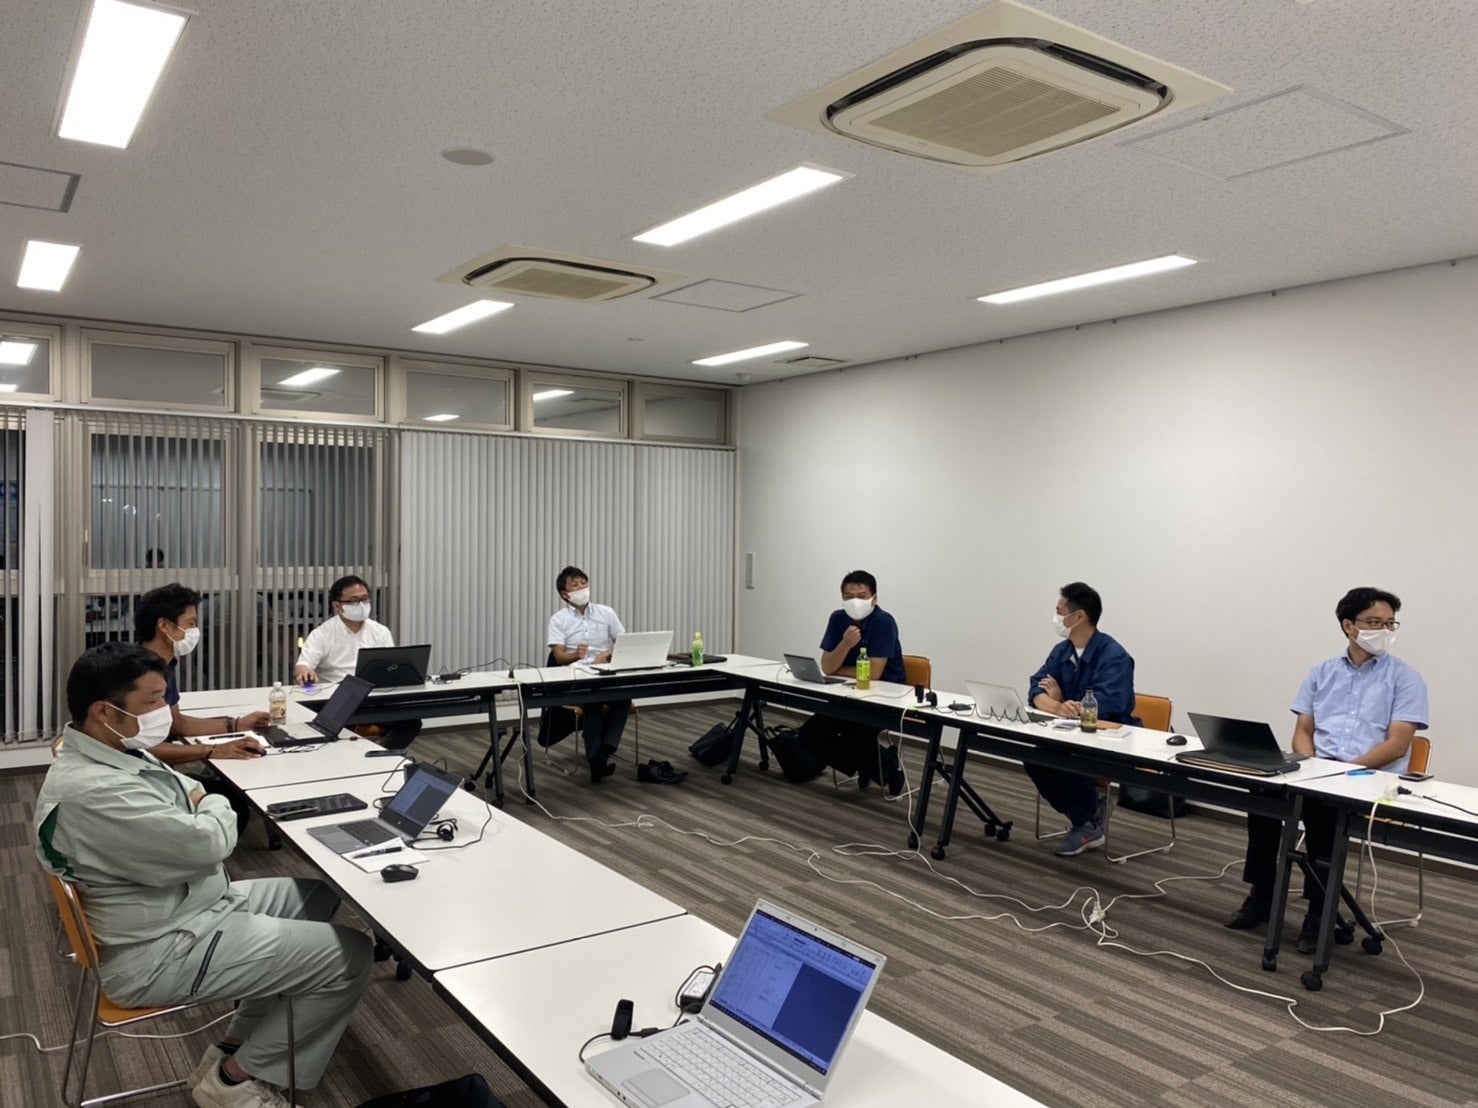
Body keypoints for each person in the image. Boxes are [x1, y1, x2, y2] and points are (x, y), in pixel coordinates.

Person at [36, 643, 373, 1108]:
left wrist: (201, 805)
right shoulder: (95, 789)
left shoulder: (113, 748)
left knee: (314, 899)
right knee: (351, 956)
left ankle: (235, 1046)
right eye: (153, 700)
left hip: (185, 904)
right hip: (156, 948)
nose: (164, 711)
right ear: (103, 711)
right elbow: (208, 844)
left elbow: (190, 788)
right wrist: (214, 804)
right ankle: (236, 1081)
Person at [1226, 587, 1428, 954]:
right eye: (1374, 622)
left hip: (1368, 778)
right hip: (1318, 770)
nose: (1384, 630)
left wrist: (1341, 774)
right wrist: (1310, 767)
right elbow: (1303, 731)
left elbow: (1398, 745)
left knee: (1323, 810)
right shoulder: (1322, 672)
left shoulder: (1406, 678)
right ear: (1348, 626)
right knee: (1263, 792)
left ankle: (1319, 912)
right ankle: (1263, 892)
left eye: (1390, 623)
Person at [134, 583, 270, 837]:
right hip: (138, 777)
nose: (195, 631)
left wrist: (237, 724)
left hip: (153, 768)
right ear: (164, 626)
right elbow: (141, 748)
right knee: (233, 805)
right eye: (190, 623)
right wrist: (213, 750)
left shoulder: (164, 665)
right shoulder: (138, 675)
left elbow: (177, 723)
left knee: (231, 797)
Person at [1027, 581, 1140, 857]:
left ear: (1079, 617)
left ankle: (1086, 823)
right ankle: (1091, 816)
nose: (1056, 618)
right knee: (1034, 757)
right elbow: (1036, 691)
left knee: (1067, 759)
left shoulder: (1114, 655)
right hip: (1071, 734)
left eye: (1059, 611)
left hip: (1111, 741)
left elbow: (1102, 704)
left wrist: (1066, 702)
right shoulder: (1062, 651)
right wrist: (1058, 706)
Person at [802, 570, 906, 796]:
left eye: (862, 596)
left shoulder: (883, 622)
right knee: (810, 734)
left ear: (874, 598)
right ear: (842, 598)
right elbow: (827, 666)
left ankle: (887, 770)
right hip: (847, 694)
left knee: (854, 735)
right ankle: (877, 764)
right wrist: (846, 644)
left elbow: (873, 673)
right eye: (849, 597)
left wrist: (839, 668)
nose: (856, 601)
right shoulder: (838, 618)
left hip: (884, 698)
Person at [293, 575, 419, 749]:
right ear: (337, 606)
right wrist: (305, 673)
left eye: (365, 599)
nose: (361, 605)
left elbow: (390, 666)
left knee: (410, 722)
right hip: (338, 699)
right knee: (341, 731)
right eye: (354, 601)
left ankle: (382, 756)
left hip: (374, 696)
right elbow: (302, 666)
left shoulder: (379, 631)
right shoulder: (322, 633)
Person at [546, 566, 631, 782]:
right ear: (565, 594)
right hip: (575, 677)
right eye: (575, 585)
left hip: (604, 673)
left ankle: (603, 752)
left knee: (623, 699)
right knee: (593, 702)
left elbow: (624, 644)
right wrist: (577, 655)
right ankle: (596, 760)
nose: (581, 588)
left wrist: (608, 655)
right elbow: (559, 658)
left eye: (583, 583)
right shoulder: (558, 619)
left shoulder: (606, 613)